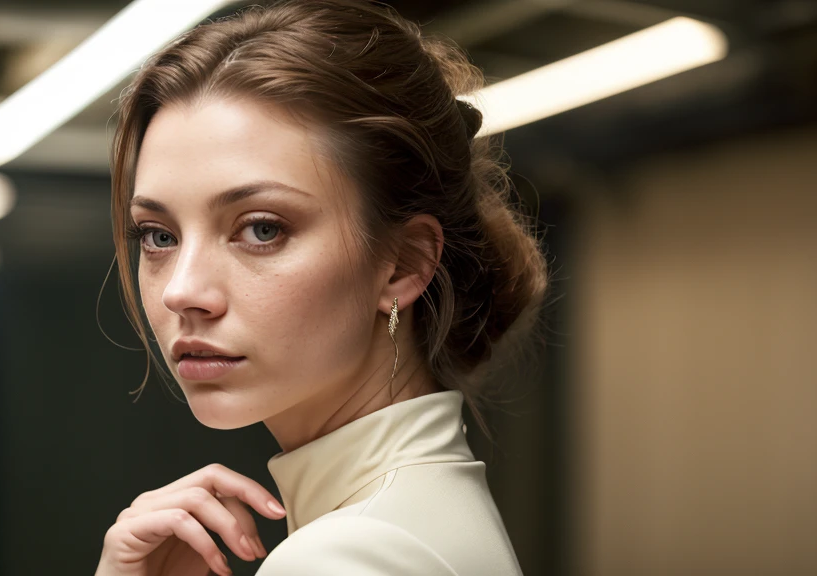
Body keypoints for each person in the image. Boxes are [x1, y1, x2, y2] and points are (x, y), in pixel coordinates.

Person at [94, 0, 549, 574]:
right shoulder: (408, 520)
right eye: (158, 236)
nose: (180, 292)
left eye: (262, 229)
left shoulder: (349, 555)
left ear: (403, 264)